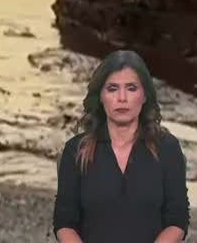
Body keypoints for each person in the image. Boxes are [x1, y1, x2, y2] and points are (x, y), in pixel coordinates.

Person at [53, 49, 189, 243]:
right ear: (100, 96)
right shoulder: (75, 151)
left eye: (131, 88)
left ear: (144, 96)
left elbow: (177, 220)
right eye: (112, 88)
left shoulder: (167, 148)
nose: (122, 98)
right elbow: (65, 222)